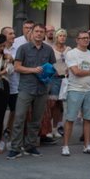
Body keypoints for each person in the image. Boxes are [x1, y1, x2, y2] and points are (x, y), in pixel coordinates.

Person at [7, 23, 57, 160]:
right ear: (32, 33)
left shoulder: (48, 50)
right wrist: (33, 70)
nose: (39, 34)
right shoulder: (23, 48)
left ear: (45, 33)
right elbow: (17, 67)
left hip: (42, 88)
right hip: (26, 87)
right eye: (36, 31)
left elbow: (52, 67)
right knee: (19, 117)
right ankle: (15, 148)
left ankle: (30, 145)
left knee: (36, 119)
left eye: (41, 31)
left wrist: (49, 74)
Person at [63, 30, 90, 156]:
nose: (86, 40)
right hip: (75, 89)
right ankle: (66, 146)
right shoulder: (72, 53)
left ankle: (87, 145)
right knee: (70, 118)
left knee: (88, 118)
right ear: (77, 40)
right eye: (83, 38)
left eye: (87, 38)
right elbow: (76, 72)